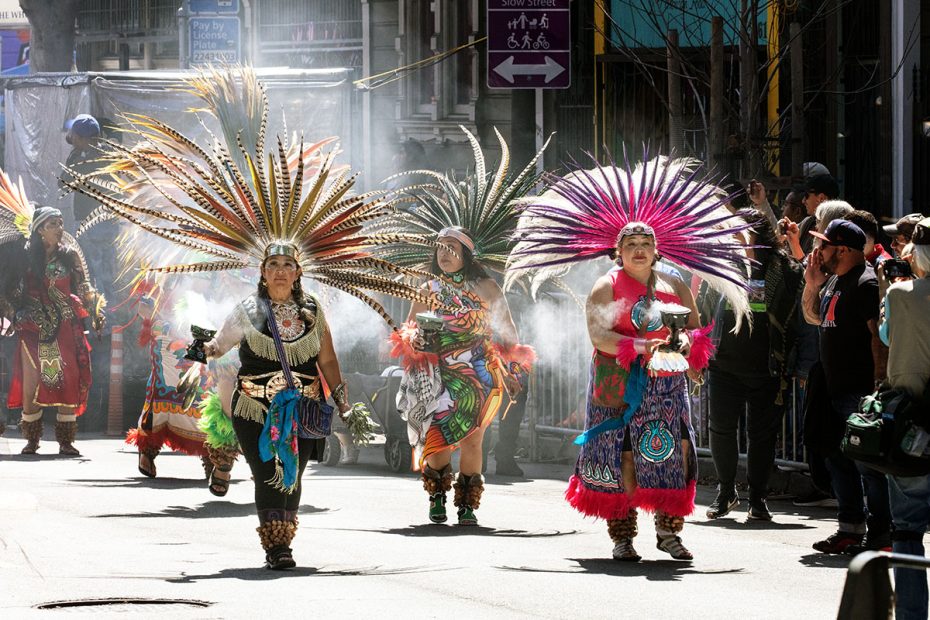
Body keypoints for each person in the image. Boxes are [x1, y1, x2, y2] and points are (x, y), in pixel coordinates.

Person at [61, 67, 429, 569]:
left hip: (301, 405)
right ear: (262, 270)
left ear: (299, 271)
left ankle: (285, 529)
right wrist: (198, 344)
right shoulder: (246, 308)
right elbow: (216, 347)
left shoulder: (312, 309)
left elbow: (330, 361)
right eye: (272, 264)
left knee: (292, 471)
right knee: (265, 471)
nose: (279, 271)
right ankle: (275, 540)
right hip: (252, 405)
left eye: (287, 265)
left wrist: (347, 407)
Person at [510, 155, 751, 562]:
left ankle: (668, 531)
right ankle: (622, 536)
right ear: (617, 251)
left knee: (673, 455)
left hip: (666, 387)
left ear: (657, 251)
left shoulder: (675, 283)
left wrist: (686, 346)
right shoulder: (606, 286)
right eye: (631, 245)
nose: (639, 251)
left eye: (645, 245)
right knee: (620, 455)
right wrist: (642, 347)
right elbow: (598, 335)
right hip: (618, 386)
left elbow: (695, 327)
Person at [386, 126, 541, 525]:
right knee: (437, 438)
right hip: (437, 372)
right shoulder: (426, 286)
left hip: (477, 371)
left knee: (474, 438)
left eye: (451, 249)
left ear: (467, 254)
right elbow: (406, 332)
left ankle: (468, 504)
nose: (444, 254)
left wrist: (514, 363)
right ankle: (437, 499)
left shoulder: (487, 286)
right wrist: (417, 339)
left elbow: (507, 330)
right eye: (439, 248)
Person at [706, 212, 804, 521]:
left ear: (756, 234)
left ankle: (758, 498)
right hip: (724, 365)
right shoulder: (720, 268)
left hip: (768, 368)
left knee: (762, 436)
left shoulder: (784, 269)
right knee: (720, 429)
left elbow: (800, 310)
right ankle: (725, 492)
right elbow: (705, 310)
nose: (731, 239)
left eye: (737, 233)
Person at [801, 219, 891, 554]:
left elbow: (877, 338)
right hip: (833, 389)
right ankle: (850, 527)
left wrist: (877, 387)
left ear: (842, 249)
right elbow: (814, 318)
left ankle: (881, 533)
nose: (817, 251)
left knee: (868, 467)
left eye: (823, 244)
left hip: (859, 391)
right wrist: (812, 285)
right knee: (838, 460)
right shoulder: (834, 280)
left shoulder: (866, 283)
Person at [0, 175, 104, 455]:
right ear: (39, 231)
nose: (59, 228)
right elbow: (8, 291)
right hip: (32, 326)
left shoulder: (69, 255)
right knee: (33, 380)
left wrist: (94, 307)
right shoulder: (23, 257)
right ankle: (32, 438)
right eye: (53, 225)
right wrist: (13, 313)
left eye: (60, 223)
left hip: (65, 326)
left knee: (67, 379)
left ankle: (66, 440)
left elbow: (83, 286)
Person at [877, 217, 930, 620]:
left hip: (912, 419)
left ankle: (912, 613)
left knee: (908, 526)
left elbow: (885, 336)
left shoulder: (900, 294)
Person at [782, 174, 840, 260]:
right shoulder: (808, 222)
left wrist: (794, 244)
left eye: (806, 196)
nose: (803, 201)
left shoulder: (836, 229)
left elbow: (814, 268)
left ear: (821, 198)